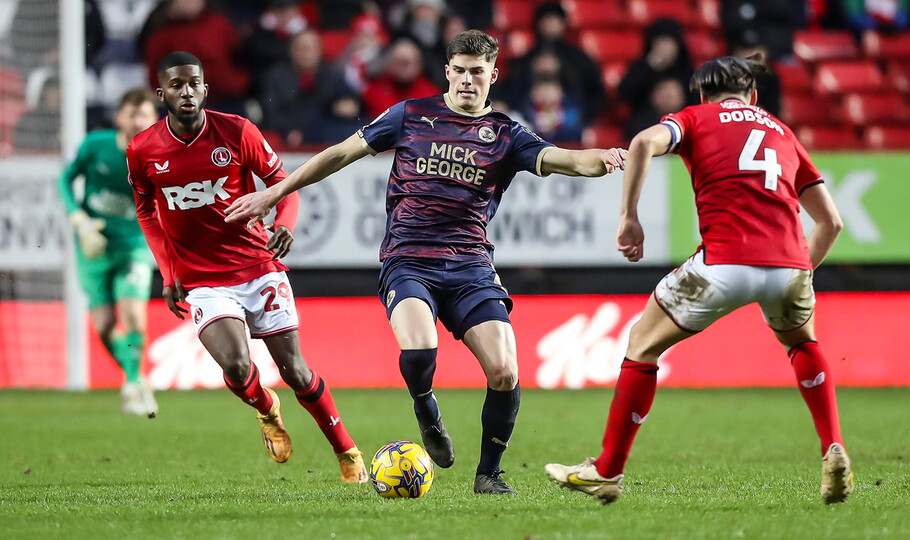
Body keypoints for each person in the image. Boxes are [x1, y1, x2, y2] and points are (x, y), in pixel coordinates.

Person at [223, 30, 627, 495]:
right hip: (408, 259)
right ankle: (425, 405)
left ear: (493, 76)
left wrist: (604, 157)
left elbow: (566, 161)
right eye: (461, 71)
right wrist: (275, 191)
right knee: (420, 348)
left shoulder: (506, 134)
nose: (468, 80)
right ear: (448, 72)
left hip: (471, 265)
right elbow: (340, 154)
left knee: (505, 371)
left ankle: (489, 474)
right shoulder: (411, 115)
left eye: (478, 72)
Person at [545, 55, 853, 505]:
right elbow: (832, 222)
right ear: (753, 96)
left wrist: (629, 217)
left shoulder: (694, 118)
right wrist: (797, 271)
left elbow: (643, 142)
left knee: (642, 343)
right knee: (802, 344)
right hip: (789, 264)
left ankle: (607, 471)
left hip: (724, 262)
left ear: (704, 95)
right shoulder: (782, 132)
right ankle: (833, 446)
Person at [126, 51, 367, 483]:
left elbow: (285, 186)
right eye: (177, 85)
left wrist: (284, 224)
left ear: (205, 88)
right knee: (236, 366)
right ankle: (266, 408)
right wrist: (168, 271)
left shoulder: (237, 131)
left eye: (193, 83)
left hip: (258, 267)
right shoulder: (142, 150)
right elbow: (146, 212)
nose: (187, 92)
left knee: (296, 371)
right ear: (162, 94)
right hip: (202, 279)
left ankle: (346, 450)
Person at [57, 88, 159, 416]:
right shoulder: (95, 145)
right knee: (103, 325)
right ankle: (137, 377)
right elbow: (64, 180)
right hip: (93, 245)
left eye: (144, 114)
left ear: (154, 120)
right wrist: (78, 218)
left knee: (132, 314)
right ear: (119, 117)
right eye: (132, 113)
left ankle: (131, 382)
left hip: (132, 246)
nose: (138, 120)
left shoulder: (158, 158)